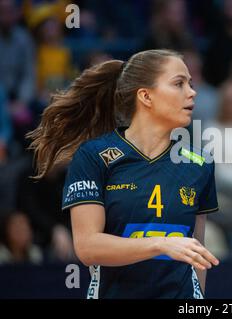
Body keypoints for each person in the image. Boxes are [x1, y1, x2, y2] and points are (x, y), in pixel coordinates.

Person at [27, 49, 220, 299]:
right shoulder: (93, 156)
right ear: (146, 96)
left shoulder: (200, 163)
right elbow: (87, 247)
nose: (192, 92)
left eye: (191, 84)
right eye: (179, 84)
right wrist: (160, 243)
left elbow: (197, 254)